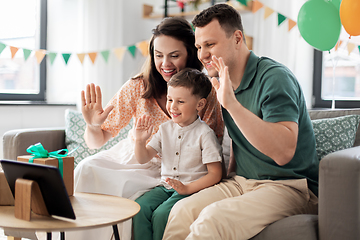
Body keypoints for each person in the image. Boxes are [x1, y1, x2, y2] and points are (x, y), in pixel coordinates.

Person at [163, 4, 319, 240]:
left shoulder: (275, 78)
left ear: (237, 38)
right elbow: (238, 143)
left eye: (210, 45)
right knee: (181, 212)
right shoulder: (222, 81)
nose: (202, 54)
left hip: (290, 187)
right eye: (198, 46)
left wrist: (232, 105)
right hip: (242, 182)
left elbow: (284, 152)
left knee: (212, 220)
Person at [70, 17, 224, 240]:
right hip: (138, 155)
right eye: (159, 55)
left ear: (190, 54)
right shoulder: (138, 86)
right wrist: (93, 125)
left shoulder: (205, 92)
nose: (165, 64)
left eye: (174, 55)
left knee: (130, 196)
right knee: (86, 168)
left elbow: (212, 146)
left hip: (179, 168)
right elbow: (96, 141)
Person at [132, 68, 223, 240]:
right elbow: (143, 158)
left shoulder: (205, 134)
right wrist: (139, 141)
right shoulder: (165, 129)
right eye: (170, 99)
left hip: (191, 189)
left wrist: (187, 188)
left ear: (200, 104)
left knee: (161, 216)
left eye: (180, 101)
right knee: (139, 208)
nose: (172, 106)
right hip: (165, 187)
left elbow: (216, 174)